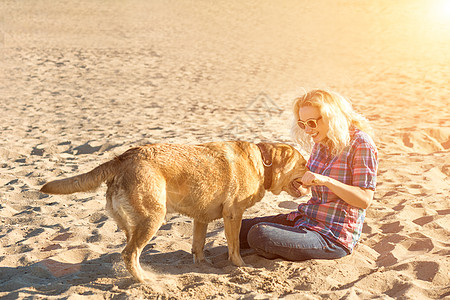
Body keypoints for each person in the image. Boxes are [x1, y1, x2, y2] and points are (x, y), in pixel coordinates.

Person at [240, 89, 378, 261]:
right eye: (302, 124)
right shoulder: (321, 141)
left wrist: (327, 181)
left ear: (331, 116)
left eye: (312, 122)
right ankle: (281, 246)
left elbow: (364, 199)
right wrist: (300, 188)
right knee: (238, 229)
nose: (307, 130)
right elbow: (309, 187)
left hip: (333, 235)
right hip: (307, 218)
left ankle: (280, 248)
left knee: (259, 234)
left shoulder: (361, 143)